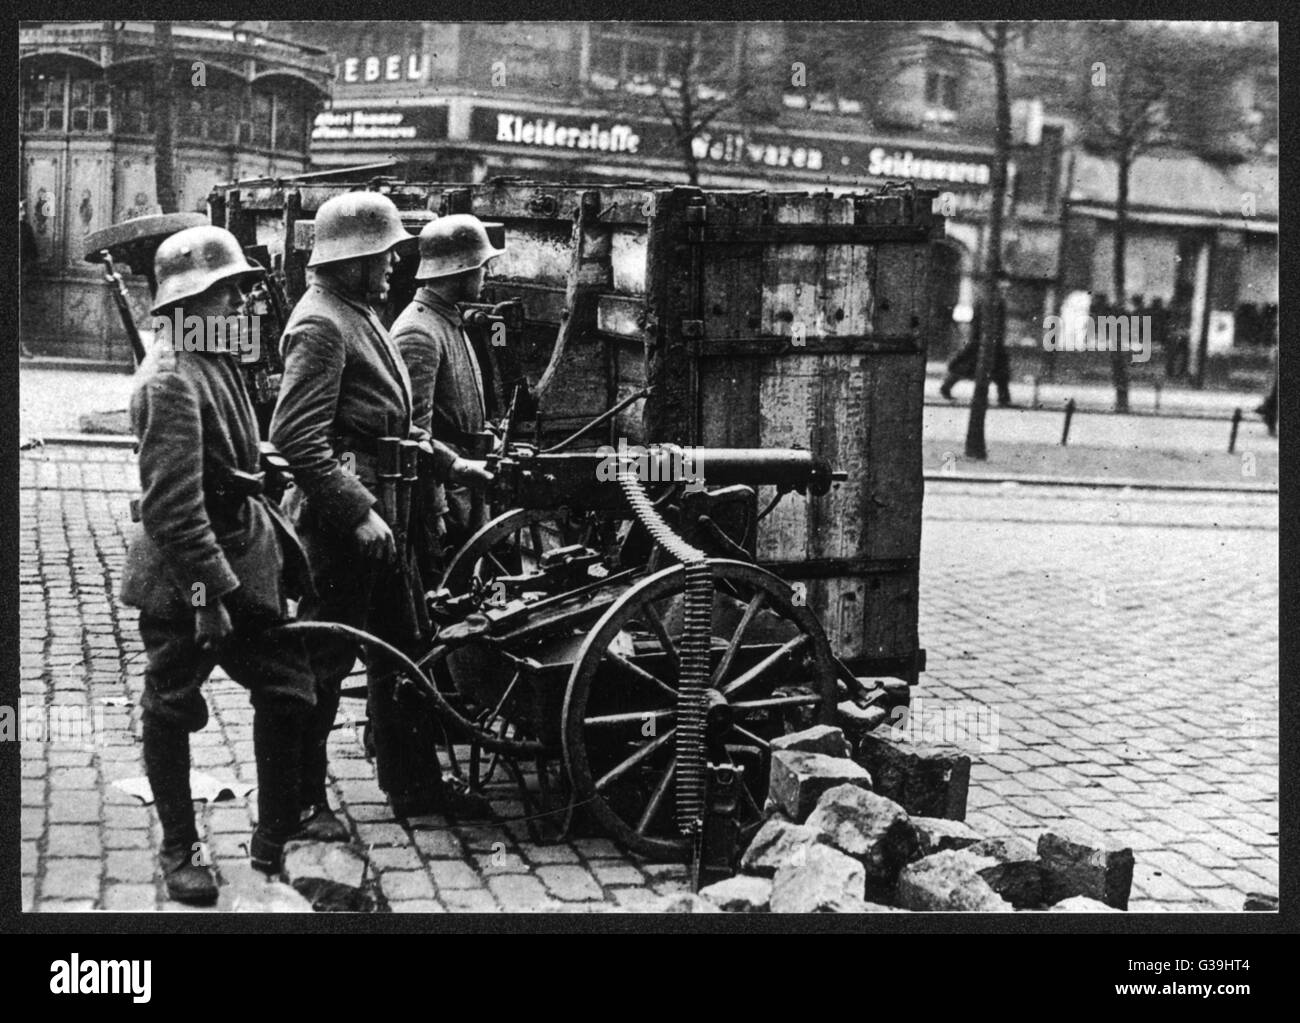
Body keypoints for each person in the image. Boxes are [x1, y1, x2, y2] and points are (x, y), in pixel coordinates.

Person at [269, 192, 493, 820]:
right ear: (354, 257)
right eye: (386, 252)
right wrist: (357, 511)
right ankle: (302, 800)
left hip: (385, 518)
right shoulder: (321, 323)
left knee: (405, 652)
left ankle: (414, 787)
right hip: (346, 528)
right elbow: (296, 437)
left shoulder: (357, 311)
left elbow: (397, 423)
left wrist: (451, 465)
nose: (397, 263)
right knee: (323, 666)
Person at [120, 226, 319, 903]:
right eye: (226, 291)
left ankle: (272, 837)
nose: (240, 302)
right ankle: (181, 847)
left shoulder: (212, 355)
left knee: (290, 689)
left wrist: (263, 461)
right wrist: (208, 598)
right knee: (171, 705)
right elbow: (173, 509)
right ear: (188, 298)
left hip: (240, 558)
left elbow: (234, 443)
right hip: (188, 579)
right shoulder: (169, 378)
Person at [391, 214, 506, 569]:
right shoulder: (419, 332)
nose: (487, 276)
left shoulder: (445, 320)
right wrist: (435, 511)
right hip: (446, 495)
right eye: (482, 267)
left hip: (464, 488)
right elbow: (415, 435)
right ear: (460, 270)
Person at [939, 275, 1012, 406]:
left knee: (1000, 372)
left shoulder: (992, 301)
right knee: (969, 367)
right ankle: (946, 387)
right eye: (1003, 288)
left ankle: (1004, 397)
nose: (1005, 291)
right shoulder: (990, 302)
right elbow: (981, 324)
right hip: (983, 342)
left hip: (991, 343)